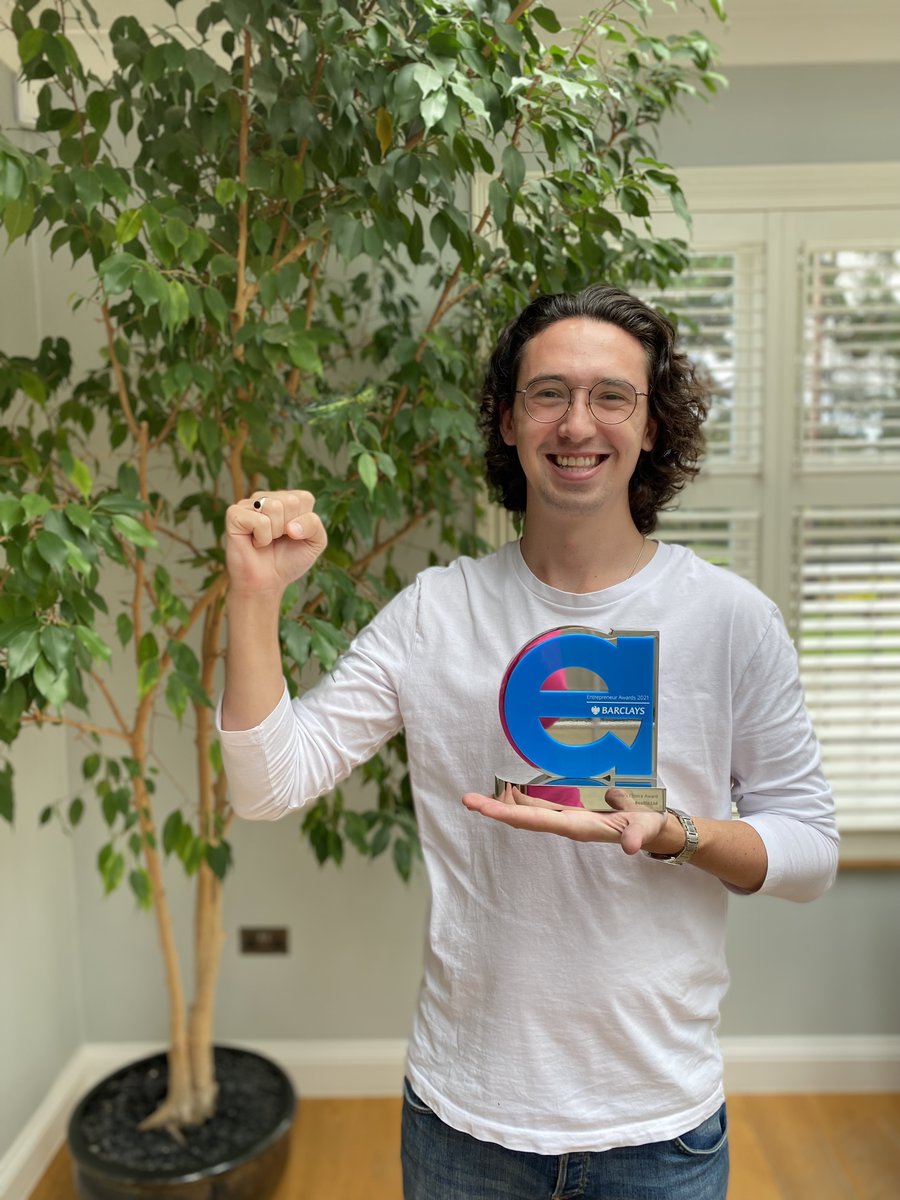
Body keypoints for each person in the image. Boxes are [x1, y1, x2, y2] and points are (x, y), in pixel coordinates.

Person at [218, 285, 839, 1199]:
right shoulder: (436, 612)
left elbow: (811, 851)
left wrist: (679, 835)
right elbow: (269, 785)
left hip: (659, 1128)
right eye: (548, 393)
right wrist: (254, 596)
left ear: (652, 426)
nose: (577, 421)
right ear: (508, 421)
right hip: (465, 1121)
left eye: (611, 395)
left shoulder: (731, 621)